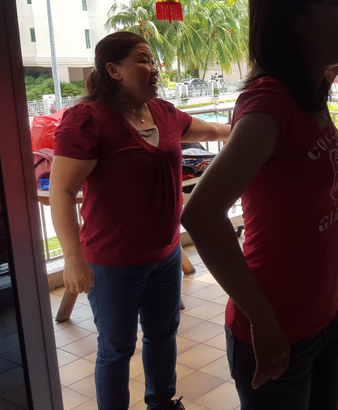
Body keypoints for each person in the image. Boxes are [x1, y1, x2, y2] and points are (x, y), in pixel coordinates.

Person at [179, 0, 338, 408]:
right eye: (335, 3)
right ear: (295, 19)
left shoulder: (307, 96)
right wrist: (263, 323)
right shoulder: (269, 103)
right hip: (278, 327)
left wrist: (325, 74)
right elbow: (200, 215)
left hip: (328, 313)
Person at [49, 31, 231, 410]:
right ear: (113, 70)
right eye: (143, 60)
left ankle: (162, 404)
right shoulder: (89, 121)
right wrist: (73, 258)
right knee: (116, 349)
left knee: (163, 335)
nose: (154, 68)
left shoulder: (164, 114)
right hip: (112, 263)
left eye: (152, 60)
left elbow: (215, 130)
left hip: (165, 254)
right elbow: (62, 192)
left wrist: (256, 129)